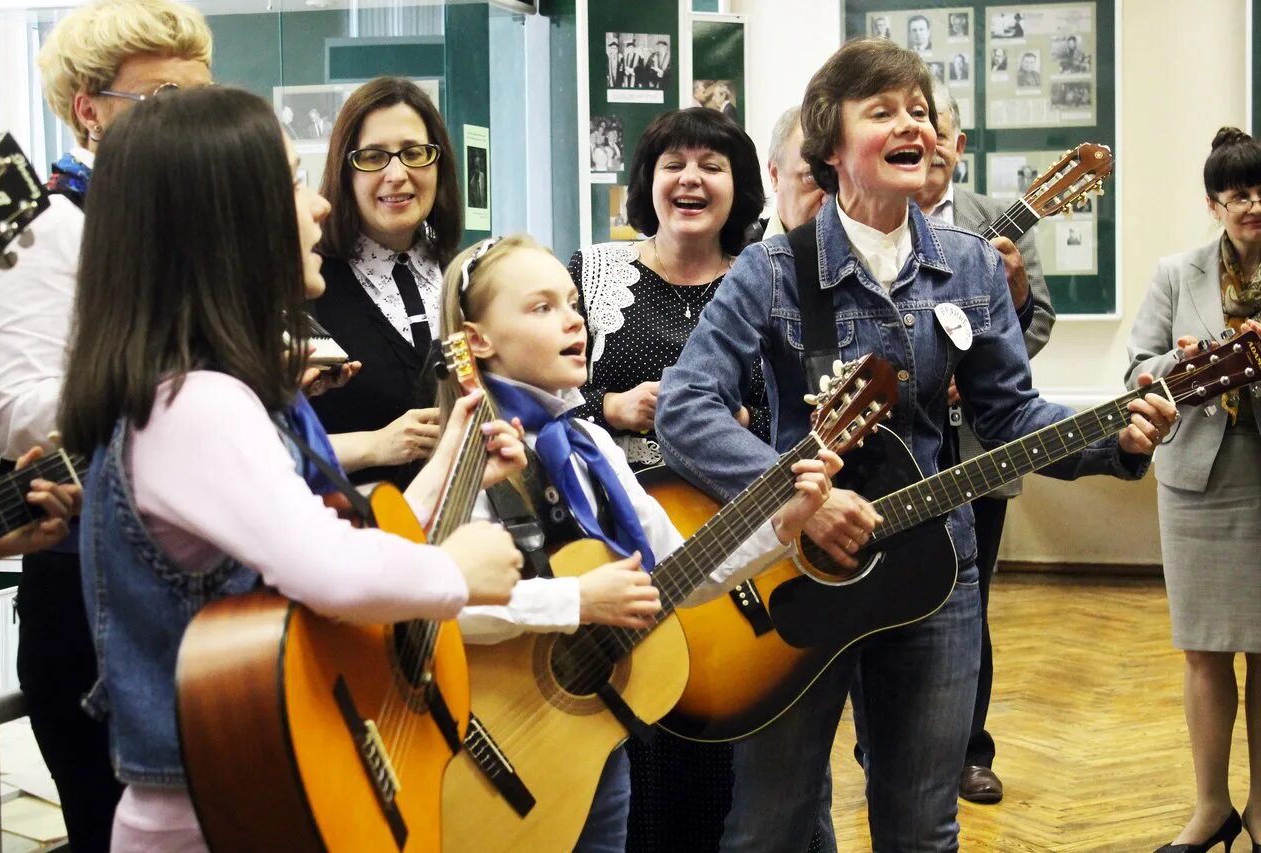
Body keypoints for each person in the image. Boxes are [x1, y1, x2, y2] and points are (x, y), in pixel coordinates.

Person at [655, 38, 1175, 853]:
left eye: (921, 111)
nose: (914, 126)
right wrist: (797, 493)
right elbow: (684, 406)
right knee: (772, 823)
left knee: (922, 826)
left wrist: (1113, 436)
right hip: (798, 571)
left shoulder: (968, 265)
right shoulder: (771, 270)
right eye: (884, 110)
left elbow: (1009, 417)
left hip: (939, 573)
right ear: (832, 148)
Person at [55, 85, 525, 852]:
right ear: (229, 220)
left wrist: (455, 461)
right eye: (296, 184)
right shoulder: (193, 405)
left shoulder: (227, 391)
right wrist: (454, 569)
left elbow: (336, 528)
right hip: (225, 810)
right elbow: (329, 569)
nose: (319, 210)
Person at [436, 233, 838, 851]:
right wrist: (577, 600)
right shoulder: (470, 458)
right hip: (494, 741)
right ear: (479, 339)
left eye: (573, 303)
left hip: (593, 737)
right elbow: (439, 607)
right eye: (541, 308)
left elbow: (677, 569)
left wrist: (780, 528)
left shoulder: (590, 447)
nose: (573, 320)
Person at [0, 2, 212, 847]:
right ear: (89, 108)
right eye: (159, 101)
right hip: (88, 590)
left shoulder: (178, 227)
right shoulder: (44, 226)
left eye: (198, 96)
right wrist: (188, 385)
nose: (184, 121)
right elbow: (19, 414)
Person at [568, 106, 767, 850]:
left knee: (722, 727)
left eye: (712, 165)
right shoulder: (591, 273)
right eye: (673, 163)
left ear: (738, 187)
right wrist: (611, 404)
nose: (690, 178)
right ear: (645, 181)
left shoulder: (764, 282)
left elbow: (796, 414)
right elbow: (535, 390)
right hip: (614, 548)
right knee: (626, 734)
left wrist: (740, 427)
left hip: (731, 553)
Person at [909, 85, 1056, 806]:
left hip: (979, 454)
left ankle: (971, 751)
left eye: (937, 131)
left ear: (956, 147)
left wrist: (1020, 291)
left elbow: (1037, 327)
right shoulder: (873, 220)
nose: (925, 143)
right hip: (892, 451)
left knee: (970, 598)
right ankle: (889, 738)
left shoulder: (994, 227)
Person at [1126, 126, 1261, 853]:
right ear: (1214, 203)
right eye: (1239, 192)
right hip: (1197, 481)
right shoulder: (1177, 273)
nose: (1254, 205)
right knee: (1204, 652)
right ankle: (1212, 806)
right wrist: (1170, 372)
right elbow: (1136, 368)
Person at [310, 77, 462, 490]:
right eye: (374, 157)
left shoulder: (470, 277)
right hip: (353, 532)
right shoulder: (306, 285)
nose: (398, 174)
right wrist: (374, 446)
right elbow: (265, 446)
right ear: (344, 171)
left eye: (415, 154)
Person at [759, 106, 827, 240]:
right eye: (813, 177)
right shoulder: (738, 255)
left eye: (841, 181)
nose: (830, 199)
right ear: (775, 175)